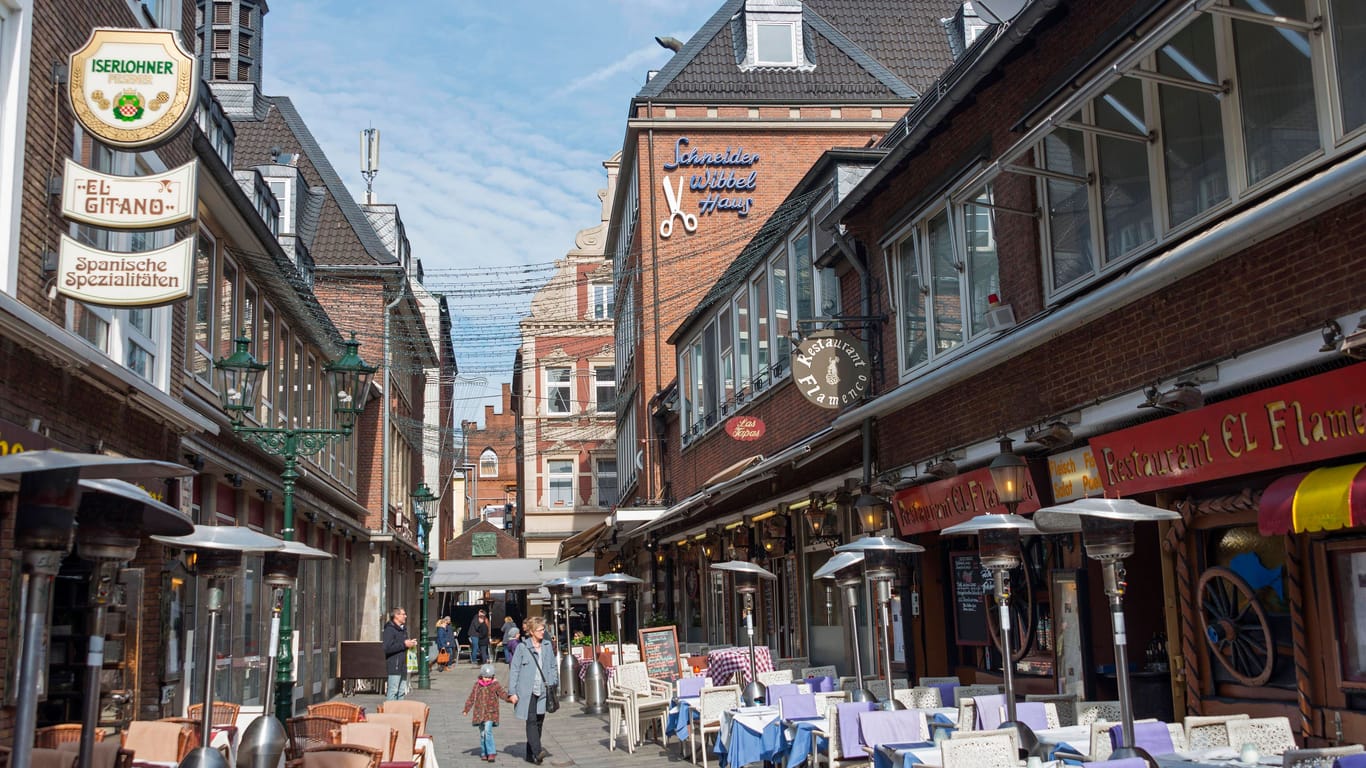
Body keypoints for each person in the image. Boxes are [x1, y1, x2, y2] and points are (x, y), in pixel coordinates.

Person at [508, 616, 557, 765]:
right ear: (532, 631)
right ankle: (537, 750)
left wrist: (554, 682)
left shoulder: (547, 645)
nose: (543, 632)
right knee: (531, 720)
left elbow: (553, 666)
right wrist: (512, 692)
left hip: (543, 689)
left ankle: (531, 755)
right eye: (540, 629)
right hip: (526, 691)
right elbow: (514, 669)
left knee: (539, 721)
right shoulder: (522, 647)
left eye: (543, 629)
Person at [464, 663, 516, 762]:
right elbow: (472, 698)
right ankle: (484, 752)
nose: (487, 679)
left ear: (492, 677)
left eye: (489, 677)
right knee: (482, 733)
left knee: (488, 731)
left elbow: (502, 694)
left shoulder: (495, 685)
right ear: (481, 676)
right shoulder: (477, 685)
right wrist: (466, 709)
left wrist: (510, 699)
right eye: (485, 677)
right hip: (479, 713)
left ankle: (491, 753)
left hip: (491, 713)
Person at [381, 607, 417, 700]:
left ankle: (399, 713)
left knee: (401, 692)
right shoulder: (389, 629)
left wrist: (410, 643)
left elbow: (403, 645)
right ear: (396, 616)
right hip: (395, 665)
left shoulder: (403, 629)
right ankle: (390, 712)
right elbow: (387, 648)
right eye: (403, 614)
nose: (406, 616)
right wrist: (404, 644)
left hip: (403, 664)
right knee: (393, 691)